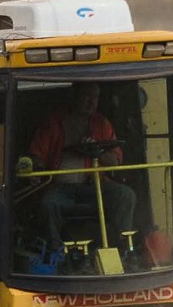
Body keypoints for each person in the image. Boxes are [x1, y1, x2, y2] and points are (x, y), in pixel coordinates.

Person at [25, 82, 136, 259]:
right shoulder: (54, 123)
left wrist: (97, 152)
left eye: (96, 97)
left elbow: (115, 160)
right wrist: (33, 167)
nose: (92, 102)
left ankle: (122, 250)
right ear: (74, 96)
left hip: (95, 187)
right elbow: (36, 155)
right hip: (61, 187)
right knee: (47, 204)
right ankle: (56, 253)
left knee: (125, 195)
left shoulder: (102, 124)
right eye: (87, 97)